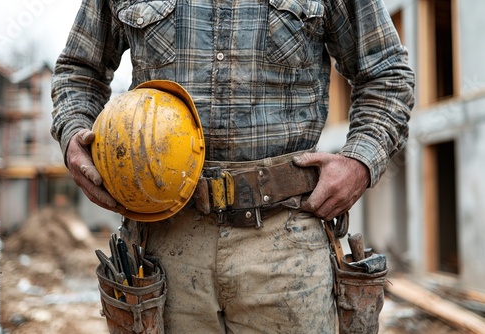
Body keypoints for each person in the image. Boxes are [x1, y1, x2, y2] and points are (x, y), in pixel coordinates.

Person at [51, 0, 415, 332]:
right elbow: (79, 71)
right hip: (164, 243)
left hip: (287, 244)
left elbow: (386, 73)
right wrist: (73, 134)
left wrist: (360, 160)